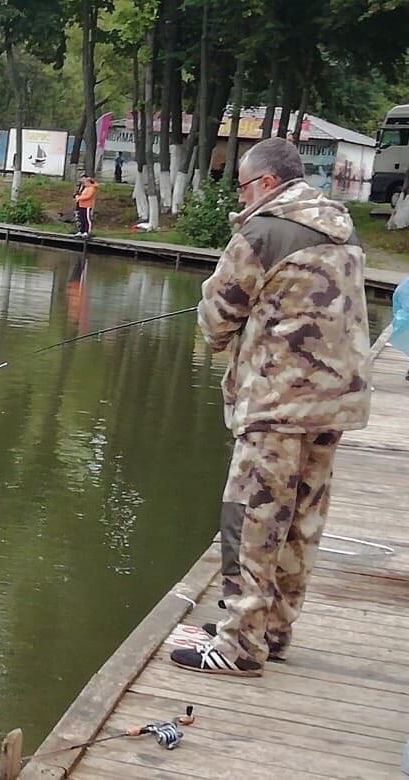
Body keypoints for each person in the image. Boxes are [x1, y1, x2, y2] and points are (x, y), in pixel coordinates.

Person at [170, 137, 372, 677]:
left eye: (240, 185)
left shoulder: (262, 231)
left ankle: (238, 644)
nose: (239, 196)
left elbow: (217, 320)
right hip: (335, 403)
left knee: (253, 518)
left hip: (278, 403)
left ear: (262, 183)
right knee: (302, 519)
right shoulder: (343, 226)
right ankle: (273, 629)